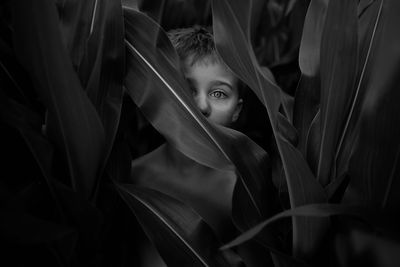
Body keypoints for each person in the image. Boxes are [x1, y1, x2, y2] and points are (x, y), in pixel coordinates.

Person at [130, 25, 245, 266]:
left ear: (237, 110)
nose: (202, 106)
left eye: (218, 94)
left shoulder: (243, 191)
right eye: (187, 89)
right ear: (165, 91)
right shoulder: (131, 176)